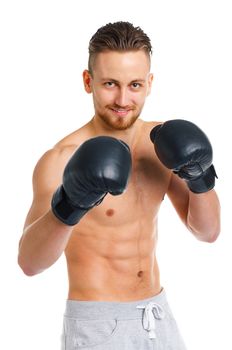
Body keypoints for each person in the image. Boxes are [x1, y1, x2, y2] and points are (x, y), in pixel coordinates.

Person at [18, 21, 221, 349]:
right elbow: (29, 262)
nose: (123, 98)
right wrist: (72, 202)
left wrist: (200, 177)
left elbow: (208, 232)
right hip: (98, 325)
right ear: (89, 81)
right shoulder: (61, 159)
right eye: (111, 83)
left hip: (158, 315)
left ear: (150, 83)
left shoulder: (162, 144)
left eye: (135, 85)